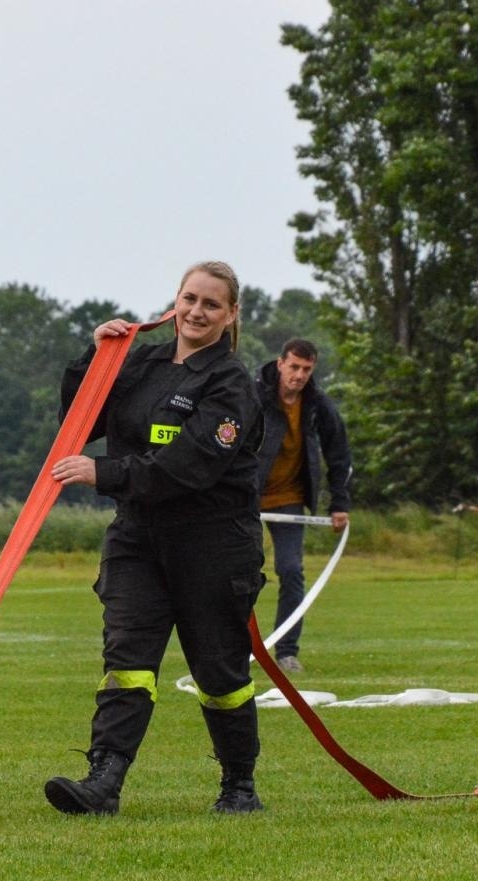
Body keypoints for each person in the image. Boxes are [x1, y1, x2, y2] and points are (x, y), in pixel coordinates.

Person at [46, 261, 267, 816]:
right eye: (189, 299)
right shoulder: (140, 362)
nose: (196, 312)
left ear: (231, 315)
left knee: (220, 674)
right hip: (138, 539)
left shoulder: (231, 385)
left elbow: (190, 466)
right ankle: (103, 782)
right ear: (174, 302)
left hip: (213, 546)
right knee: (127, 658)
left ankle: (238, 786)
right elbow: (81, 419)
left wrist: (108, 473)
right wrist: (93, 359)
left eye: (211, 304)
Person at [254, 338, 352, 673]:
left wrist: (339, 503)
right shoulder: (252, 395)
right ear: (280, 363)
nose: (299, 375)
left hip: (289, 499)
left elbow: (339, 455)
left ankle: (286, 651)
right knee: (241, 574)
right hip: (245, 499)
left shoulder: (317, 404)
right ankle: (235, 648)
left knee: (292, 571)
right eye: (294, 367)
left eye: (306, 369)